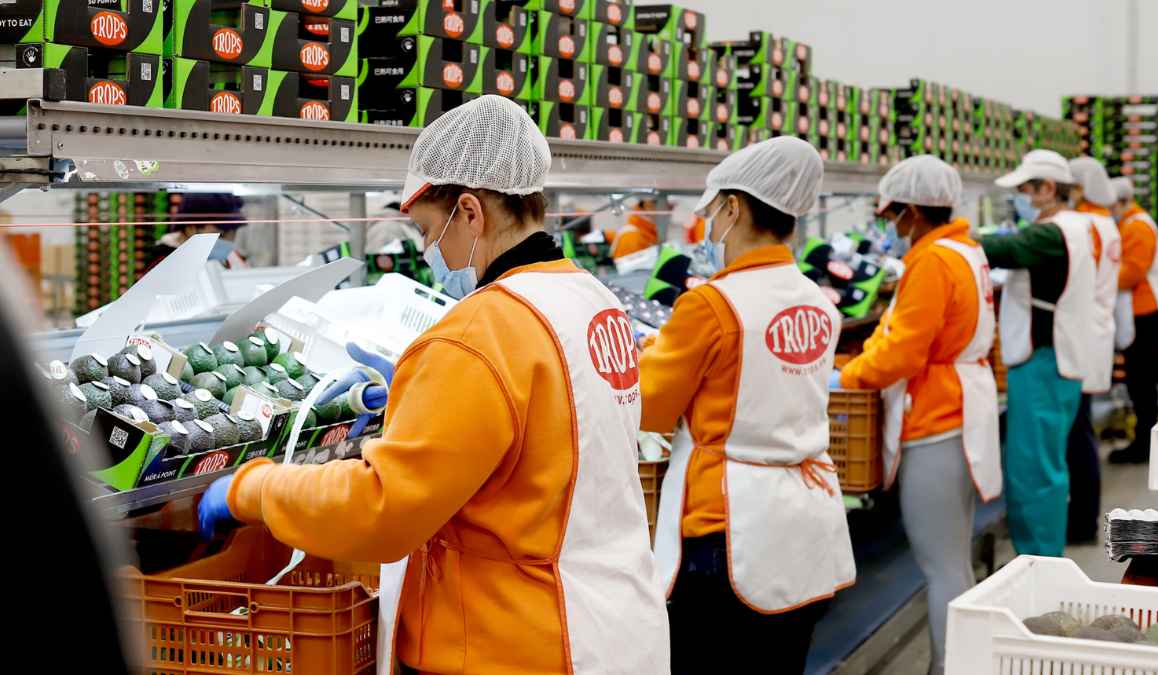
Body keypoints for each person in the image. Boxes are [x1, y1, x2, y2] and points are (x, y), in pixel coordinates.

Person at [197, 96, 670, 675]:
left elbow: (382, 509)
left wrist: (256, 489)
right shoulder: (592, 301)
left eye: (428, 230)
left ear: (470, 212)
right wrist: (419, 398)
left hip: (515, 645)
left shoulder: (479, 331)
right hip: (613, 627)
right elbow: (542, 435)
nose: (429, 253)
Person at [639, 136, 855, 673]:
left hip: (728, 530)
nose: (710, 228)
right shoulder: (815, 301)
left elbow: (648, 408)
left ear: (733, 208)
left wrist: (645, 358)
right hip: (806, 519)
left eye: (713, 212)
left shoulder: (711, 305)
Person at [836, 155, 1001, 675]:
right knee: (952, 559)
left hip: (938, 420)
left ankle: (950, 668)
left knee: (943, 567)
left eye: (891, 218)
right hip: (960, 408)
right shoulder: (964, 250)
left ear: (911, 211)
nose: (890, 229)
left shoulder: (931, 261)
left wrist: (845, 377)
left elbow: (903, 352)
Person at [982, 150, 1096, 557]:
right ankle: (1039, 557)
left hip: (1043, 362)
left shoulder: (1053, 233)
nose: (1023, 198)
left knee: (1035, 470)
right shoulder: (1073, 227)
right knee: (1041, 464)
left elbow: (1001, 250)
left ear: (1048, 189)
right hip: (1051, 361)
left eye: (1026, 190)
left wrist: (950, 233)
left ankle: (1039, 563)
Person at [1064, 156, 1121, 544]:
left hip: (1083, 335)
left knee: (1077, 433)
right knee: (1080, 431)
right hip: (1095, 332)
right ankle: (1083, 518)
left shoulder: (1086, 225)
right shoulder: (1106, 223)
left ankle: (1082, 523)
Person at [1108, 176, 1158, 463]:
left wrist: (1096, 279)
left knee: (1142, 384)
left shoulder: (1137, 226)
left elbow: (1130, 274)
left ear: (1123, 201)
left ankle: (1144, 446)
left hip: (1145, 317)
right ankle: (1143, 443)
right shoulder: (1129, 224)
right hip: (1139, 315)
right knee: (1139, 383)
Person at [147, 193, 248, 270]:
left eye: (233, 233)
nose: (228, 241)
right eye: (220, 234)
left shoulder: (232, 258)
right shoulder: (165, 265)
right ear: (191, 228)